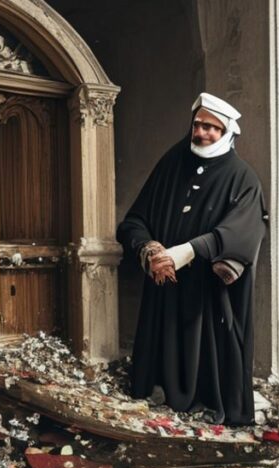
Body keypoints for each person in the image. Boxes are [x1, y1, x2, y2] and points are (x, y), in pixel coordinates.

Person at [116, 92, 267, 425]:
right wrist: (149, 249)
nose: (202, 133)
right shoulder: (173, 161)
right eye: (198, 125)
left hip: (207, 290)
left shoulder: (243, 178)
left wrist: (185, 252)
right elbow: (134, 219)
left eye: (212, 128)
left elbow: (243, 231)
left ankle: (206, 404)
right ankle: (161, 394)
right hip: (163, 281)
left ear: (227, 132)